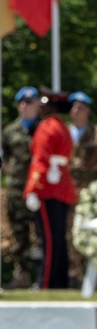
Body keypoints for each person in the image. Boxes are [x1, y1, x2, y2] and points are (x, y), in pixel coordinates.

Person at [24, 89, 76, 289]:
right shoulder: (63, 127)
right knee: (58, 237)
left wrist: (33, 189)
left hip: (47, 188)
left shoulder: (46, 127)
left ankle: (45, 282)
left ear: (51, 107)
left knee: (49, 238)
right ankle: (59, 280)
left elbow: (40, 161)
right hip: (61, 187)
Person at [66, 91, 97, 285]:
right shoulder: (64, 133)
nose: (76, 110)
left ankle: (95, 276)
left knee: (95, 232)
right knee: (71, 232)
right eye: (74, 107)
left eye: (81, 107)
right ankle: (74, 275)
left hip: (93, 191)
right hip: (69, 190)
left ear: (88, 111)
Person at [2, 86, 41, 288]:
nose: (25, 106)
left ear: (37, 106)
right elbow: (5, 160)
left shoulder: (43, 128)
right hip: (17, 191)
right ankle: (22, 276)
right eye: (22, 102)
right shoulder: (9, 131)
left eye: (30, 102)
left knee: (42, 235)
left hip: (40, 190)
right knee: (19, 236)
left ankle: (44, 278)